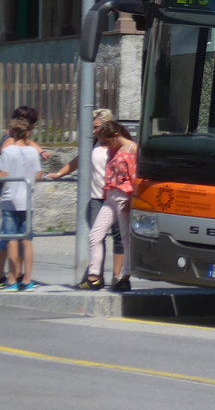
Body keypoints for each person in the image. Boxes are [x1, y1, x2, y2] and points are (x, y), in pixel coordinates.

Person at [47, 109, 124, 286]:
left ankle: (117, 276)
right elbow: (79, 160)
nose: (93, 131)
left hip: (117, 196)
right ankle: (95, 275)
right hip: (98, 197)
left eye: (96, 127)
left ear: (107, 126)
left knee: (120, 237)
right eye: (93, 127)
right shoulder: (94, 144)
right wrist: (59, 173)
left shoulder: (118, 145)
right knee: (97, 236)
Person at [78, 121, 137, 293]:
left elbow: (135, 177)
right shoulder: (114, 148)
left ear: (116, 136)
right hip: (110, 195)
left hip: (124, 196)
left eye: (107, 141)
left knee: (125, 237)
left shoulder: (132, 149)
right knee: (95, 235)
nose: (105, 145)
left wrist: (131, 199)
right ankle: (94, 277)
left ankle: (125, 277)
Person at [0, 116, 44, 290]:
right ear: (28, 132)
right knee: (26, 239)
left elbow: (3, 175)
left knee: (11, 239)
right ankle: (27, 279)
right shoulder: (32, 151)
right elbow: (38, 175)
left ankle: (12, 278)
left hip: (10, 199)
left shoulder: (8, 151)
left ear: (11, 132)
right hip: (27, 199)